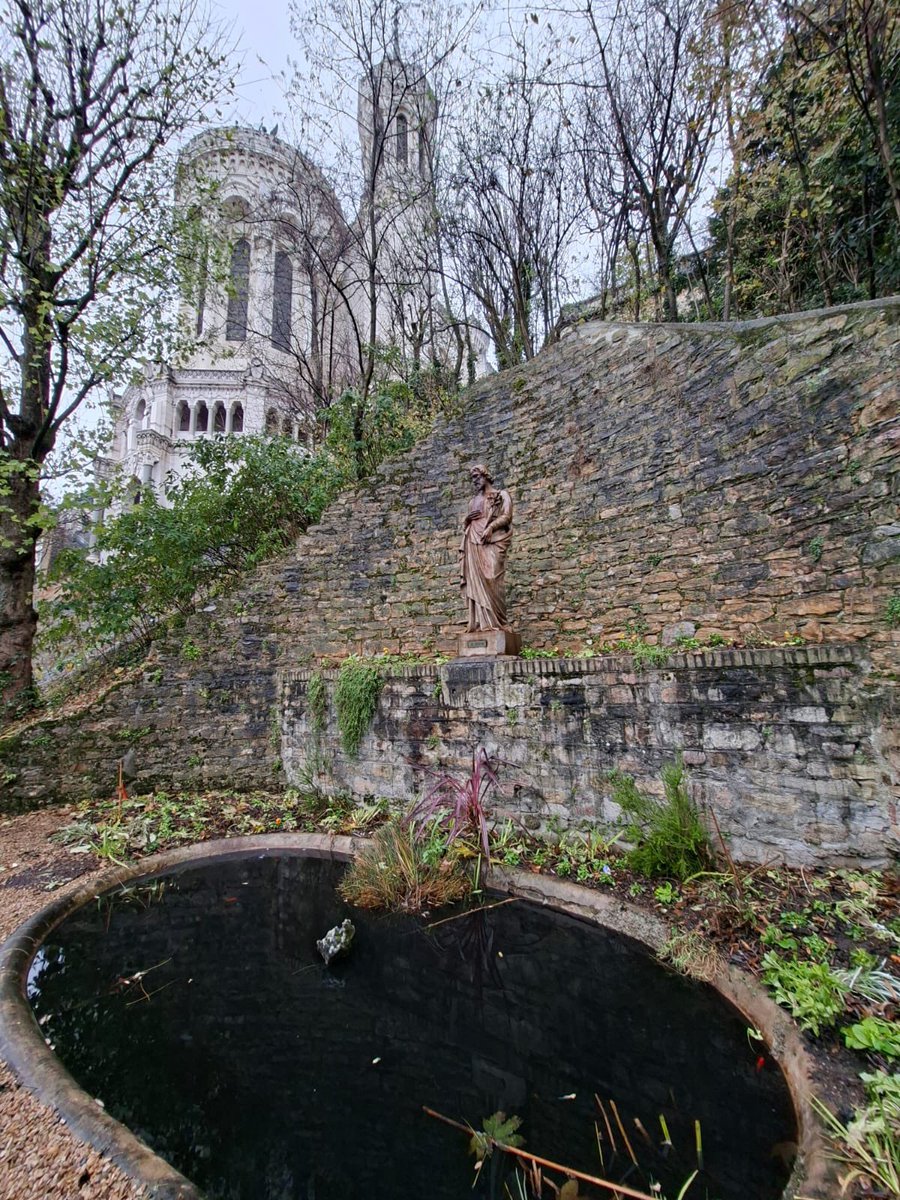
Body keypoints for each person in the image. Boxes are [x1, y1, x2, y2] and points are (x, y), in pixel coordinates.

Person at [459, 464, 513, 632]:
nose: (474, 481)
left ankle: (500, 622)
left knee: (493, 577)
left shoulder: (502, 495)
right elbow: (467, 525)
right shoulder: (472, 502)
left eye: (476, 476)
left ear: (485, 475)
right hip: (473, 541)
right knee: (476, 581)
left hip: (494, 540)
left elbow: (507, 516)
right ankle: (480, 624)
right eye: (472, 478)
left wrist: (491, 527)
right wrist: (467, 520)